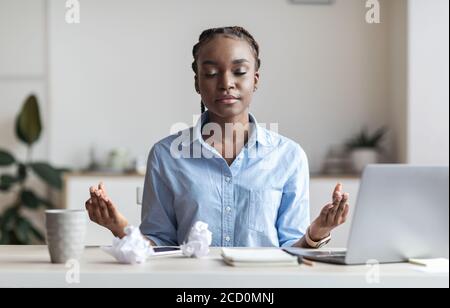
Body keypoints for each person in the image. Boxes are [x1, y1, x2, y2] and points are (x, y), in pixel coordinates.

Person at [85, 26, 349, 248]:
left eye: (239, 72)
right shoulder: (166, 156)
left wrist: (318, 232)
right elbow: (160, 247)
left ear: (255, 79)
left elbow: (291, 251)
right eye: (211, 73)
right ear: (197, 82)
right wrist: (118, 227)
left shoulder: (289, 157)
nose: (226, 83)